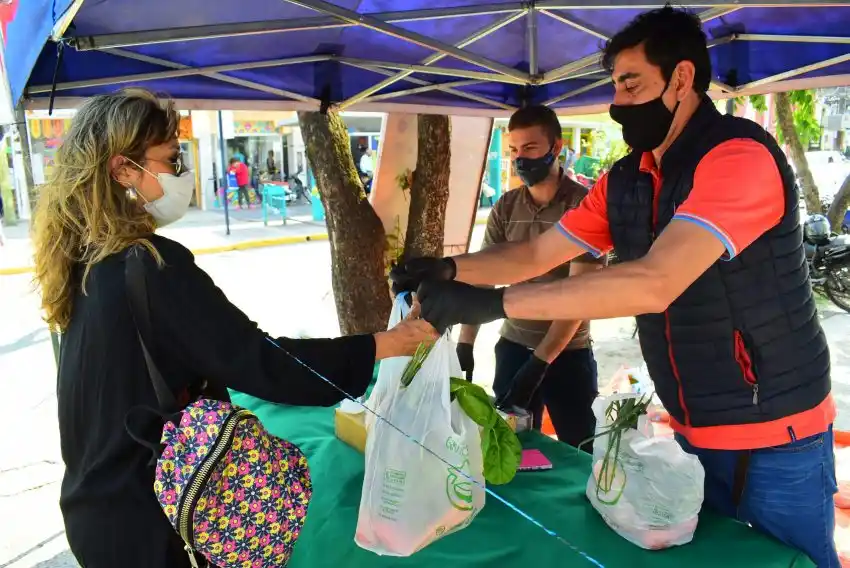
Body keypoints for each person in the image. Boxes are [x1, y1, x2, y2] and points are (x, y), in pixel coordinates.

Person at [392, 7, 837, 567]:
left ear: (680, 78)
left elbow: (655, 282)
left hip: (777, 432)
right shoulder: (626, 179)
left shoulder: (737, 157)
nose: (618, 103)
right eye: (615, 87)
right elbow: (535, 254)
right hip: (691, 426)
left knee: (797, 563)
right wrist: (449, 270)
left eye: (631, 84)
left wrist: (494, 301)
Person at [31, 88, 437, 568]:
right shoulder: (150, 266)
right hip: (154, 519)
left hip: (96, 510)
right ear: (123, 170)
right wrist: (383, 345)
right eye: (171, 159)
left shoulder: (81, 263)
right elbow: (260, 361)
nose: (181, 174)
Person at [457, 105, 604, 449]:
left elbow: (579, 295)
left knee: (580, 450)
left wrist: (541, 361)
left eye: (530, 148)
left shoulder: (583, 207)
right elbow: (484, 274)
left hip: (568, 354)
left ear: (556, 147)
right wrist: (466, 340)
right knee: (511, 450)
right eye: (514, 150)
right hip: (513, 347)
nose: (520, 159)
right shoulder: (506, 206)